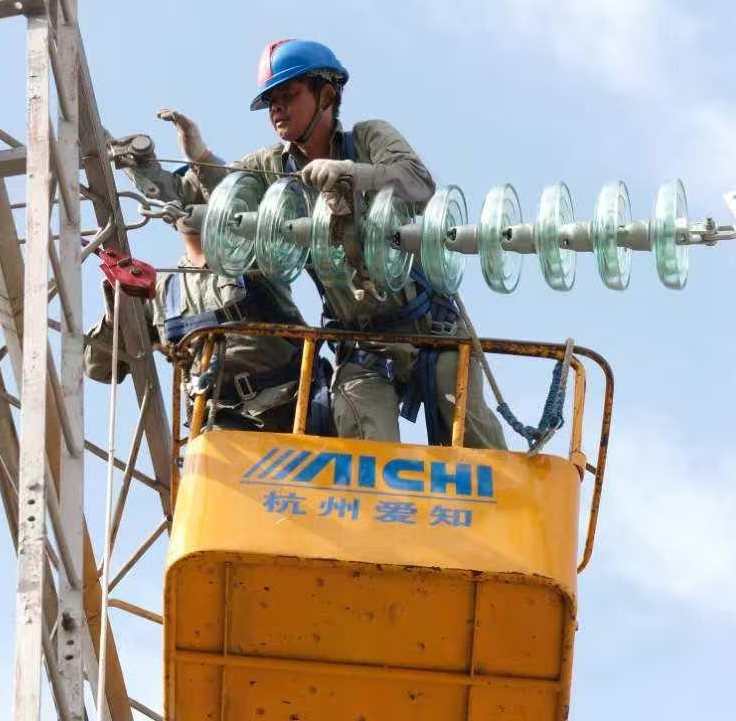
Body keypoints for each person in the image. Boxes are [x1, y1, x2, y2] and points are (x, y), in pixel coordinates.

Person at [168, 39, 505, 448]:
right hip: (360, 344)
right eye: (271, 101)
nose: (277, 109)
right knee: (362, 442)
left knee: (467, 425)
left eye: (288, 95)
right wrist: (198, 156)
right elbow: (228, 198)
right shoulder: (272, 168)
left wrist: (351, 173)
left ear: (326, 96)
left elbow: (418, 183)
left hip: (429, 328)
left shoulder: (368, 139)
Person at [87, 136, 329, 434]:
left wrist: (200, 158)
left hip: (290, 410)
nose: (192, 205)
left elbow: (222, 188)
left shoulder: (254, 259)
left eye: (201, 196)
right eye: (184, 195)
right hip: (219, 425)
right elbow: (99, 367)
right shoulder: (164, 292)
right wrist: (115, 320)